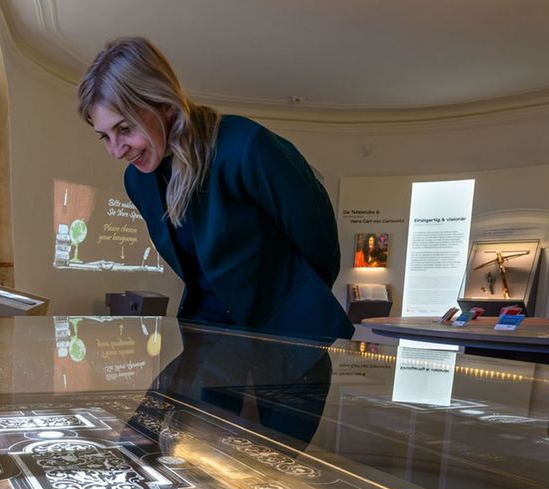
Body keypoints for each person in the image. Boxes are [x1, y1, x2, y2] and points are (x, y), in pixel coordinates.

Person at [77, 37, 353, 343]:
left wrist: (295, 305)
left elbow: (320, 246)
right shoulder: (138, 181)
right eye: (104, 136)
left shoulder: (246, 147)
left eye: (125, 129)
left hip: (294, 336)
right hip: (211, 336)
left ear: (165, 105)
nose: (116, 151)